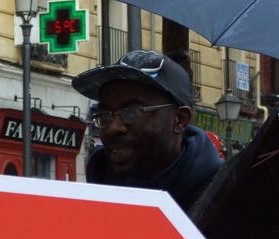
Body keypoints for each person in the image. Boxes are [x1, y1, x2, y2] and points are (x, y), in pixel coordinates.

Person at [72, 49, 223, 212]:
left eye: (132, 111)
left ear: (179, 119)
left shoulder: (226, 202)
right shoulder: (91, 203)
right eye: (104, 114)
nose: (113, 128)